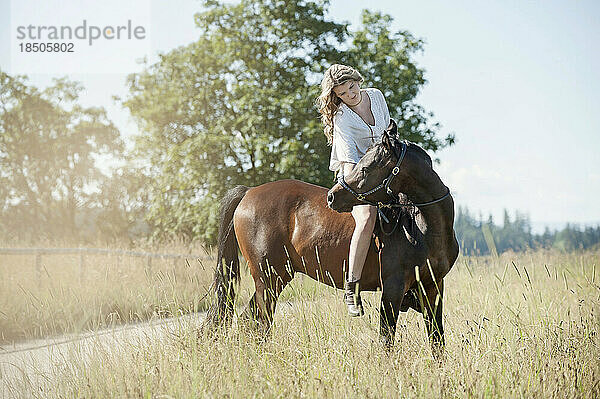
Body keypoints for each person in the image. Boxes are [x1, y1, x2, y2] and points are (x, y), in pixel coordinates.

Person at [316, 64, 391, 317]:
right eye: (343, 94)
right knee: (368, 217)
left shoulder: (377, 96)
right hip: (356, 176)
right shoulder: (342, 117)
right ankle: (352, 286)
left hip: (384, 172)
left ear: (357, 80)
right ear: (336, 96)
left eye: (351, 87)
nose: (351, 95)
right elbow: (349, 163)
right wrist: (364, 183)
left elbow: (388, 137)